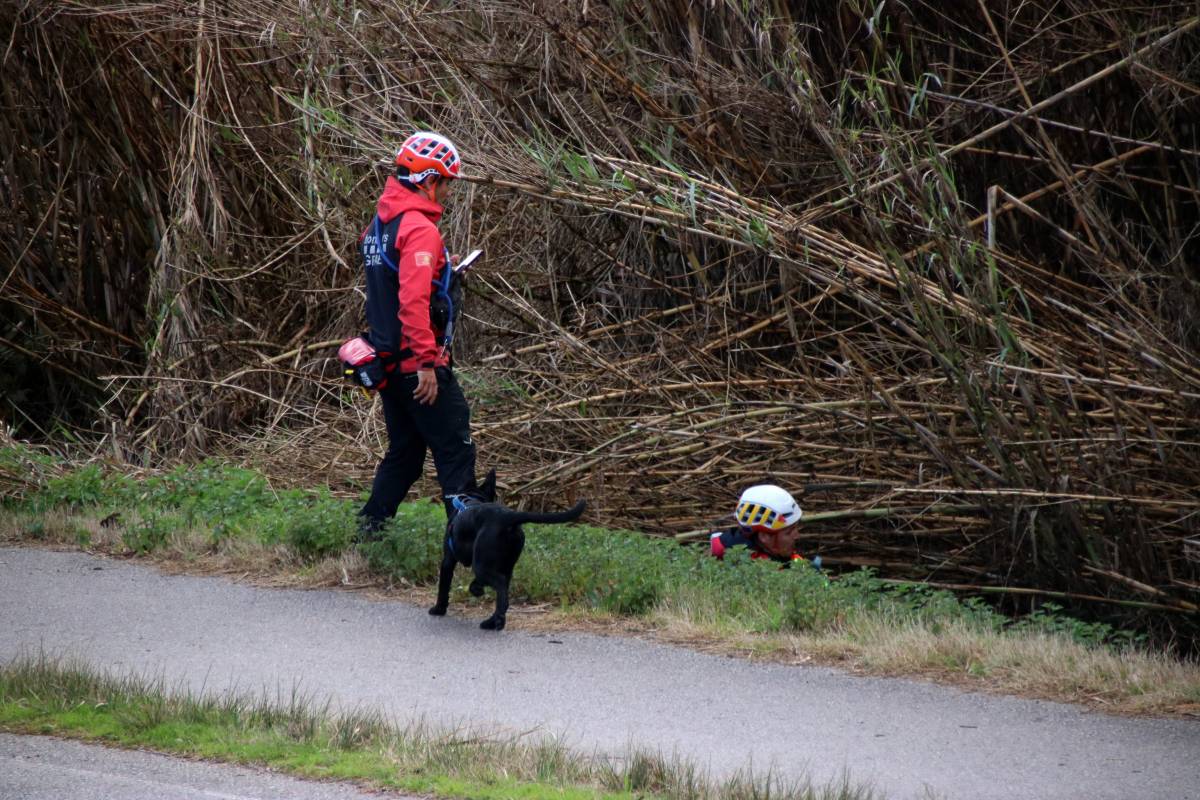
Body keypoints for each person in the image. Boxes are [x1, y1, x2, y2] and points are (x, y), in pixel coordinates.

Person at [356, 131, 477, 539]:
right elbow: (411, 302)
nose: (447, 192)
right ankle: (465, 546)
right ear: (428, 180)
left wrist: (442, 266)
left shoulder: (378, 227)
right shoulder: (419, 229)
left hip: (387, 362)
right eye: (445, 183)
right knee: (455, 450)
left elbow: (392, 283)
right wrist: (427, 363)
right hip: (418, 365)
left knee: (405, 456)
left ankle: (367, 538)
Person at [710, 484, 811, 566]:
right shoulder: (752, 575)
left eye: (796, 528)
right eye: (788, 532)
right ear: (764, 537)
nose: (797, 536)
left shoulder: (778, 558)